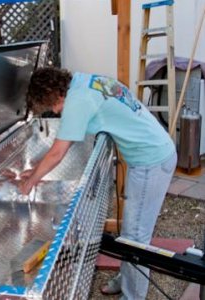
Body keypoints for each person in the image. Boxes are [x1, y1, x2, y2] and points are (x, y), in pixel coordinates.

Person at [19, 67, 177, 300]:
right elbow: (68, 140)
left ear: (54, 93)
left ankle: (133, 296)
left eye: (51, 104)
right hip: (151, 153)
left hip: (150, 161)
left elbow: (58, 152)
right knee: (130, 230)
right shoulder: (86, 82)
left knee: (136, 238)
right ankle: (126, 279)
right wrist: (36, 170)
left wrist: (31, 181)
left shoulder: (78, 100)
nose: (54, 110)